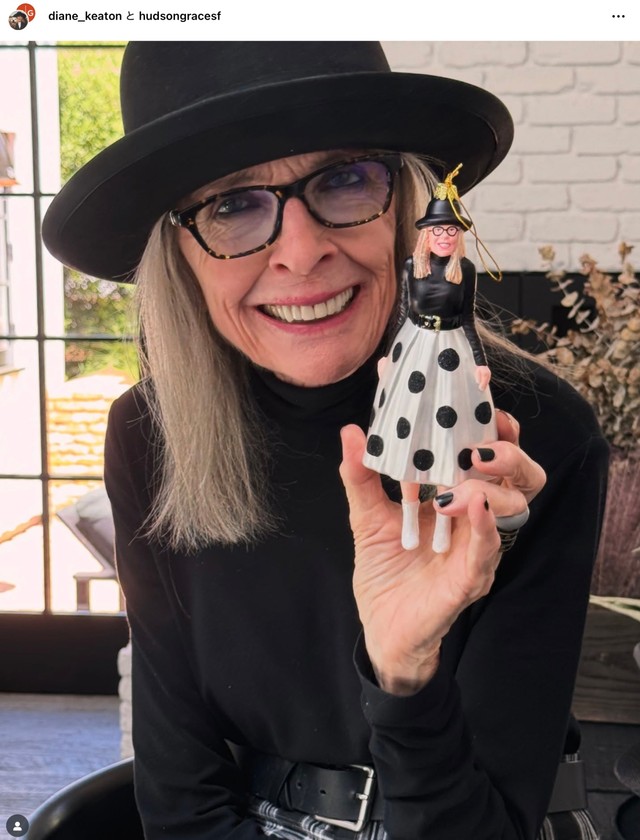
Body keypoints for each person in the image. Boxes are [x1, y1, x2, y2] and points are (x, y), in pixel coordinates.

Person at [42, 42, 609, 840]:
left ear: (403, 205)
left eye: (344, 180)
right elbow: (181, 799)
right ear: (178, 251)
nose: (302, 251)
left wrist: (404, 674)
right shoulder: (149, 434)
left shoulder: (530, 438)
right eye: (231, 205)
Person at [363, 171, 498, 552]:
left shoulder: (464, 271)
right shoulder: (412, 267)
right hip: (415, 346)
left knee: (446, 433)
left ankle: (442, 519)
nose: (444, 236)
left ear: (459, 235)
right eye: (438, 230)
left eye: (451, 230)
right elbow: (403, 312)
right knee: (409, 428)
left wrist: (480, 361)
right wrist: (389, 355)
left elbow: (468, 319)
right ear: (426, 233)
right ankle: (409, 514)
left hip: (452, 351)